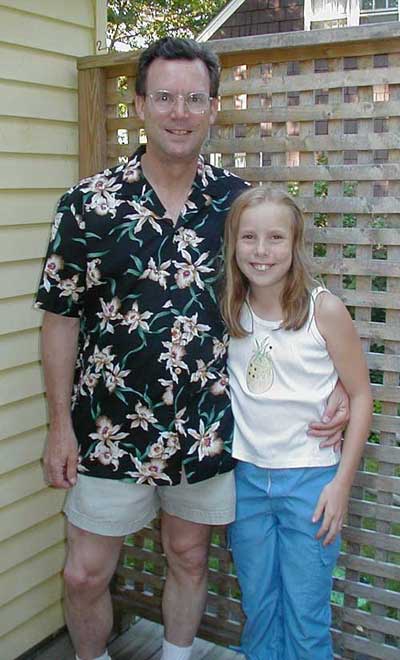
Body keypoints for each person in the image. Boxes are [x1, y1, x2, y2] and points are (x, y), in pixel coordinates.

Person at [35, 38, 349, 660]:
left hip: (208, 427)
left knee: (188, 555)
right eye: (165, 97)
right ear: (140, 104)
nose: (180, 111)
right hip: (105, 428)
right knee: (84, 573)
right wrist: (57, 428)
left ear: (212, 108)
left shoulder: (238, 206)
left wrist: (338, 380)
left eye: (194, 98)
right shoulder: (88, 205)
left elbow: (289, 302)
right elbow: (59, 320)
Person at [221, 186, 373, 660]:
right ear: (234, 244)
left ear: (295, 243)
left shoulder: (322, 311)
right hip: (246, 481)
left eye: (275, 238)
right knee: (260, 609)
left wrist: (341, 486)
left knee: (307, 619)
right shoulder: (229, 308)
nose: (261, 251)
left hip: (310, 484)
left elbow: (363, 395)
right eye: (249, 238)